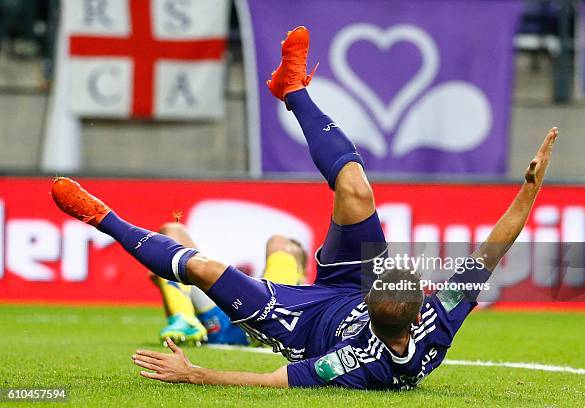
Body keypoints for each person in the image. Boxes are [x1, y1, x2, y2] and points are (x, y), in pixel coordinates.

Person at [50, 26, 559, 390]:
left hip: (302, 321)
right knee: (357, 189)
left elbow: (273, 380)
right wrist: (530, 189)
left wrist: (195, 375)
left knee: (203, 267)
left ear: (385, 313)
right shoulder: (437, 317)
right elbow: (495, 247)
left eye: (386, 278)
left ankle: (103, 219)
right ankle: (292, 89)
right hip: (347, 290)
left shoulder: (354, 367)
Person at [150, 222, 307, 346]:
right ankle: (184, 319)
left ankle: (270, 321)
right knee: (172, 230)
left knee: (279, 241)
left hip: (266, 317)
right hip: (218, 317)